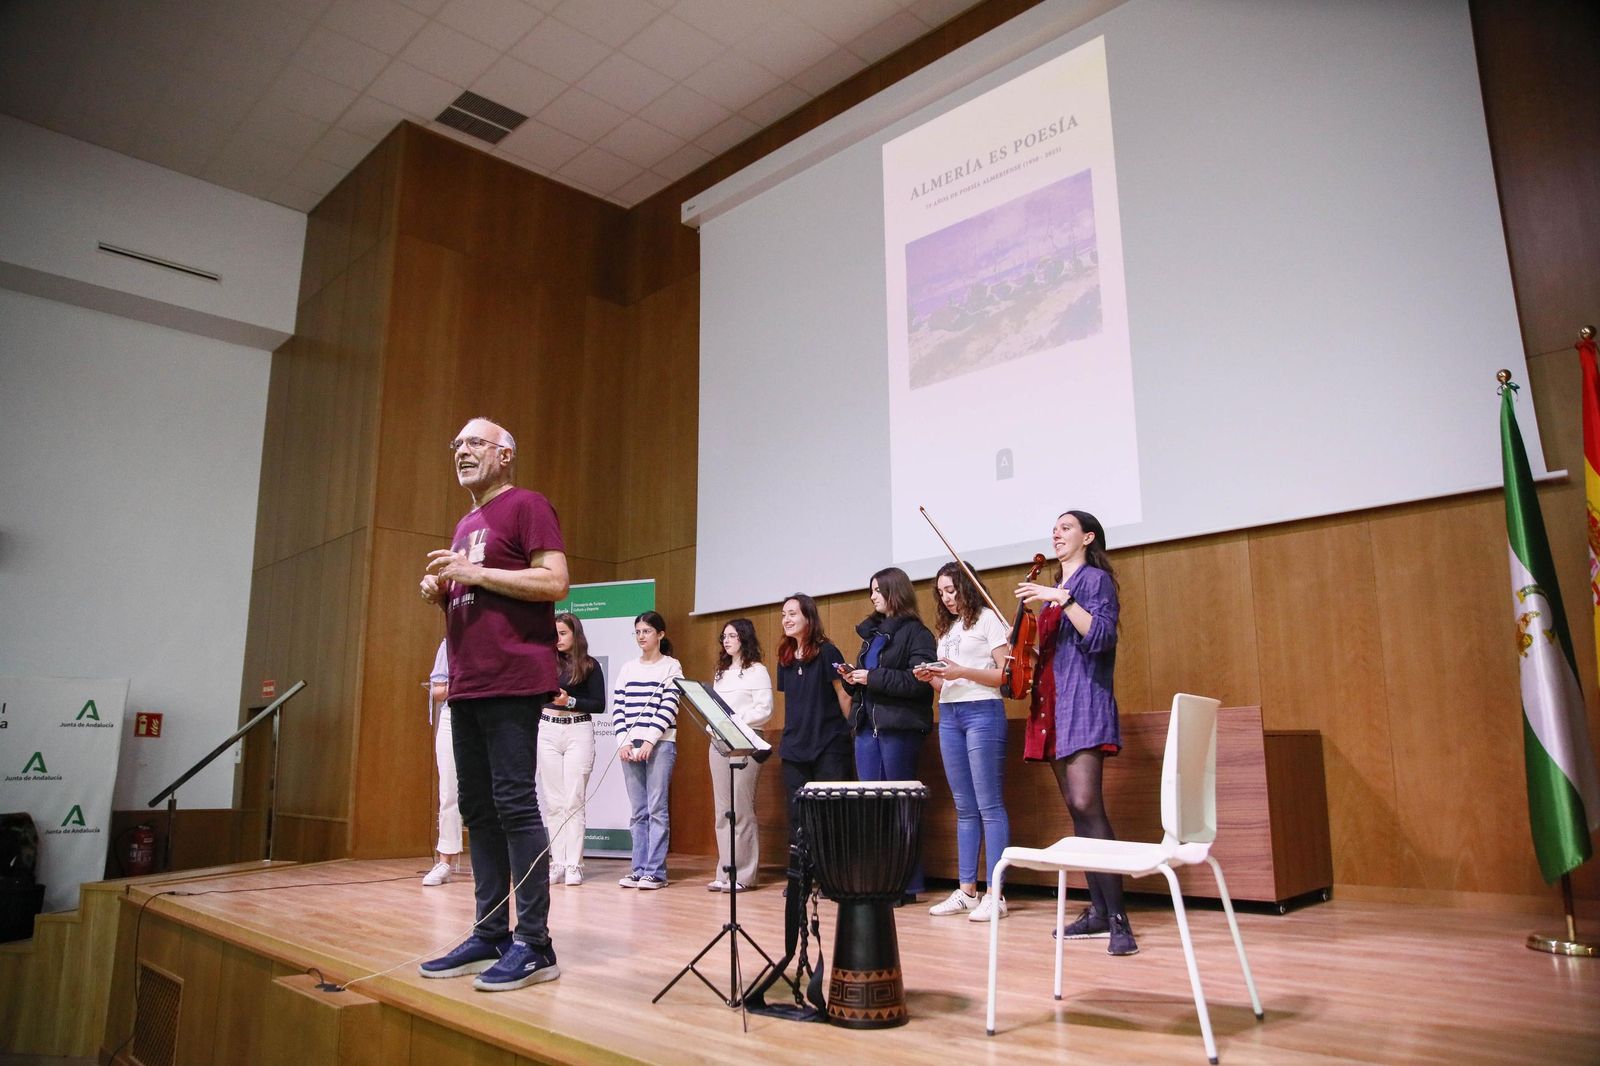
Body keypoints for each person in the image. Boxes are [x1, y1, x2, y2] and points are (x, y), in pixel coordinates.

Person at [417, 417, 568, 991]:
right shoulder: (464, 523)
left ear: (505, 455)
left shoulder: (528, 505)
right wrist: (445, 593)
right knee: (476, 810)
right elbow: (481, 595)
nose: (461, 450)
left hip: (511, 678)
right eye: (456, 443)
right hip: (468, 682)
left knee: (514, 805)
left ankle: (535, 942)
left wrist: (473, 573)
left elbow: (554, 583)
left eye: (475, 442)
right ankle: (489, 931)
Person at [1015, 509, 1136, 956]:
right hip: (1051, 706)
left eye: (1066, 528)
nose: (1056, 533)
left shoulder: (1092, 582)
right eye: (1055, 527)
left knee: (1088, 803)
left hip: (1082, 702)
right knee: (1077, 811)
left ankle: (1119, 916)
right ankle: (1099, 911)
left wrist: (1061, 600)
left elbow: (1101, 636)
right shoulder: (1052, 595)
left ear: (1088, 538)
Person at [919, 563, 1013, 922]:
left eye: (952, 590)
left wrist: (960, 671)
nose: (948, 598)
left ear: (966, 587)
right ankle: (967, 890)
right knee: (964, 806)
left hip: (983, 712)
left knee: (989, 804)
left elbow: (1004, 675)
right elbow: (948, 685)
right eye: (942, 592)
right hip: (951, 714)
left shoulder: (988, 618)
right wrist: (932, 677)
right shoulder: (947, 629)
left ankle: (997, 893)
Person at [841, 567, 936, 900]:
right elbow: (871, 677)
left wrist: (873, 678)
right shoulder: (873, 634)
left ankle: (905, 883)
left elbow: (918, 682)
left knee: (898, 806)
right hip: (867, 727)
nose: (872, 596)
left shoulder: (918, 634)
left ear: (895, 591)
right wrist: (852, 678)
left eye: (877, 590)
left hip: (899, 728)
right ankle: (879, 878)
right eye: (871, 591)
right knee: (871, 806)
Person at [612, 611, 683, 890]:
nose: (642, 636)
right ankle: (638, 868)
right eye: (638, 631)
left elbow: (668, 706)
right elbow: (618, 706)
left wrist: (650, 741)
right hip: (630, 746)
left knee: (656, 809)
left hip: (661, 744)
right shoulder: (628, 668)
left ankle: (656, 871)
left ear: (660, 635)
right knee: (638, 811)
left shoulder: (671, 666)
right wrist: (624, 741)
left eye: (647, 631)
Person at [776, 593, 854, 839]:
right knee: (798, 815)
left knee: (830, 815)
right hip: (794, 747)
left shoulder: (828, 652)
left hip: (828, 744)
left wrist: (853, 730)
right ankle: (800, 876)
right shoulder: (785, 657)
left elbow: (843, 695)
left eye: (792, 614)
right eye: (783, 615)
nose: (786, 620)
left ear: (808, 617)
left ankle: (830, 876)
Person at [540, 613, 605, 887]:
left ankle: (574, 864)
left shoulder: (589, 665)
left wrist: (570, 701)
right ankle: (557, 861)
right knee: (553, 802)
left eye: (563, 633)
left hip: (578, 729)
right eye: (554, 633)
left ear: (575, 635)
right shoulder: (543, 662)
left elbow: (599, 704)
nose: (558, 639)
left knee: (573, 800)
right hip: (547, 730)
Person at [708, 618, 773, 891]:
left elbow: (765, 710)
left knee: (741, 809)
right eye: (724, 636)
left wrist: (734, 721)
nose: (727, 640)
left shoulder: (758, 670)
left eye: (732, 635)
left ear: (744, 638)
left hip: (745, 741)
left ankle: (744, 875)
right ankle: (725, 871)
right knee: (723, 810)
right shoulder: (721, 673)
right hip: (718, 742)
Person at [423, 639, 463, 886]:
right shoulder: (450, 644)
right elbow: (437, 691)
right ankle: (445, 861)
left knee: (491, 791)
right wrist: (464, 685)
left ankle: (495, 860)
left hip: (490, 716)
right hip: (453, 717)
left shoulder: (497, 638)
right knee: (449, 791)